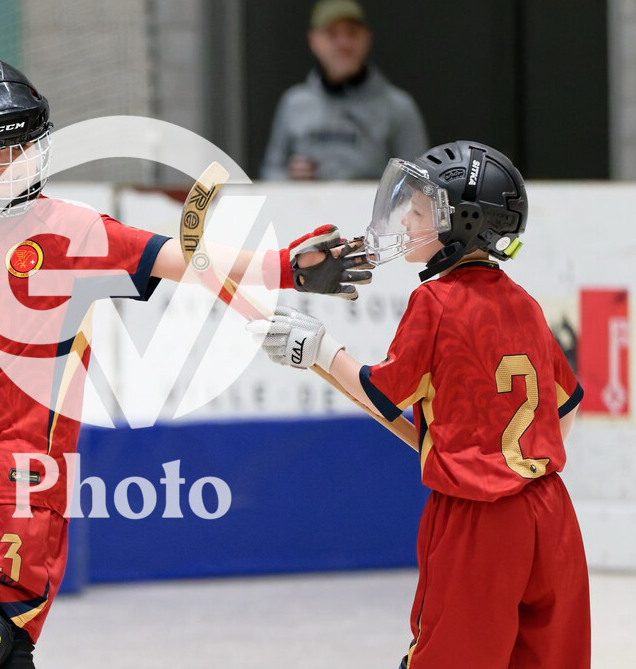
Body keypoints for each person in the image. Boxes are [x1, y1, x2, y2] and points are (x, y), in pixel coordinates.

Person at [0, 58, 373, 669]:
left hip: (24, 479)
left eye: (21, 151)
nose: (8, 169)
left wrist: (284, 267)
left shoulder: (72, 231)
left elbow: (185, 260)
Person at [249, 141, 589, 668]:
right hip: (552, 516)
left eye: (419, 208)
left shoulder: (435, 303)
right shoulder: (525, 302)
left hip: (477, 521)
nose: (406, 218)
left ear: (462, 221)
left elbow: (381, 394)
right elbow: (566, 412)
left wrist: (319, 351)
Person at [259, 0, 428, 181]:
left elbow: (418, 180)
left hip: (370, 208)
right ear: (313, 41)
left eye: (352, 33)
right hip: (306, 206)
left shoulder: (398, 106)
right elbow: (271, 172)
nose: (344, 43)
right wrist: (289, 176)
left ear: (366, 38)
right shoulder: (294, 103)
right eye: (332, 34)